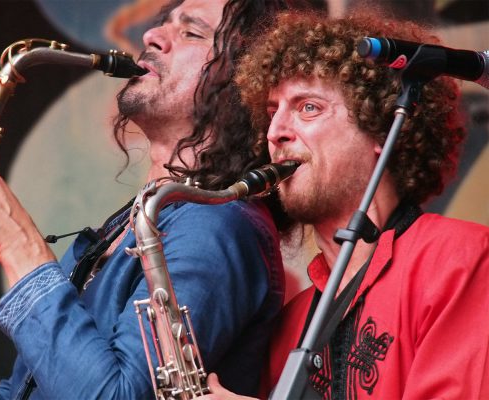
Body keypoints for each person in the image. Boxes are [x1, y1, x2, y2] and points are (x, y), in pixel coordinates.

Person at [0, 0, 291, 398]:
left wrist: (18, 246)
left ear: (248, 80)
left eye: (191, 32)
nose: (152, 35)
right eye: (163, 24)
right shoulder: (133, 223)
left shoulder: (218, 224)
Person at [201, 8, 489, 400]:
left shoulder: (462, 258)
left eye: (308, 107)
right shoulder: (290, 322)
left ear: (382, 128)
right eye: (272, 113)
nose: (276, 133)